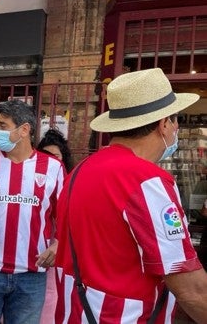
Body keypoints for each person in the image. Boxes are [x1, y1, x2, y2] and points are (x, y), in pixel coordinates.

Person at [54, 68, 207, 323]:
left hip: (74, 313)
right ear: (163, 123)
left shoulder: (79, 171)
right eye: (175, 120)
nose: (176, 127)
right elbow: (191, 289)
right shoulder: (147, 181)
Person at [0, 100, 65, 324]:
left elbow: (67, 216)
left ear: (24, 129)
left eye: (2, 125)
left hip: (32, 275)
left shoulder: (53, 168)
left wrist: (58, 244)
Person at [36, 129, 72, 324]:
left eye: (56, 156)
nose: (51, 161)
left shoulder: (70, 180)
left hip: (62, 247)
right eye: (46, 156)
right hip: (40, 245)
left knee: (54, 295)